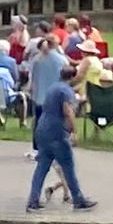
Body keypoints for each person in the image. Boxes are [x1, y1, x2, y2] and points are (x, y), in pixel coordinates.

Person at [26, 70, 96, 212]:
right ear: (72, 77)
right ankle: (78, 199)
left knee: (42, 166)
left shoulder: (53, 87)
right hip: (57, 132)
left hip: (42, 129)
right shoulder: (66, 91)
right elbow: (67, 111)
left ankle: (33, 200)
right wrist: (74, 131)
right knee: (68, 166)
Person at [28, 37, 69, 158]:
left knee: (39, 123)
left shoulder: (37, 60)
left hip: (40, 96)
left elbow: (33, 79)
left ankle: (37, 148)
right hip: (56, 97)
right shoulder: (62, 60)